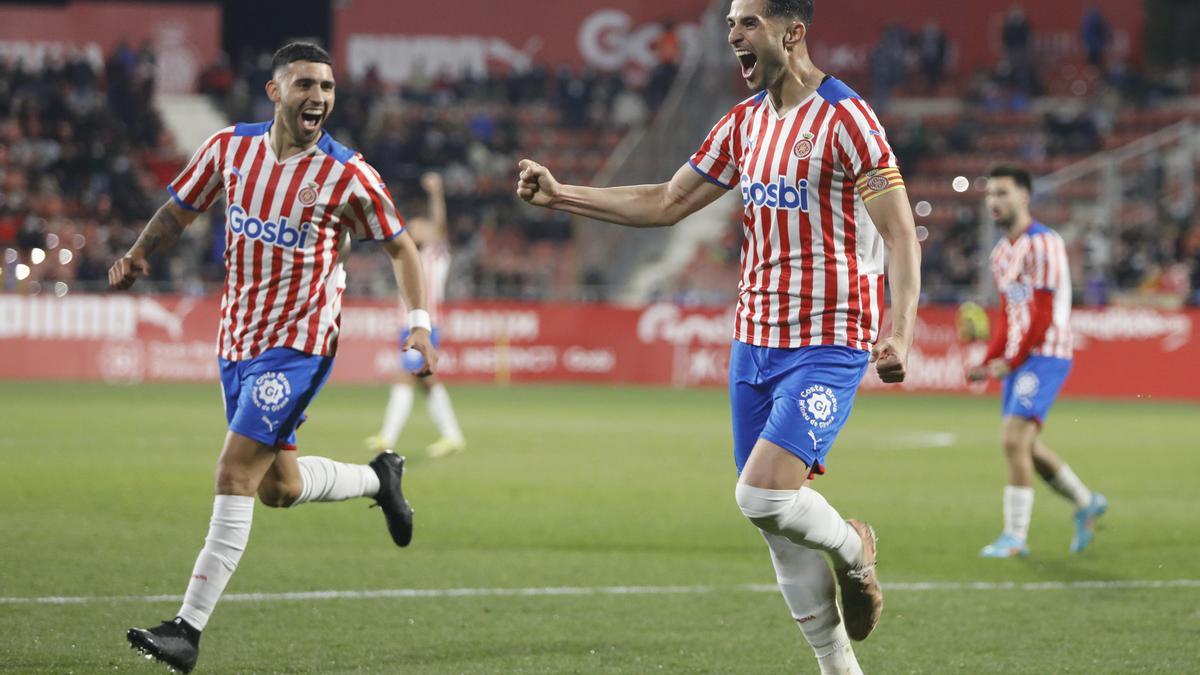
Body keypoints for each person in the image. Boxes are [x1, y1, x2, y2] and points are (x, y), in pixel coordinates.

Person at [516, 1, 921, 672]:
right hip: (753, 341)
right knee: (772, 521)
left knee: (761, 494)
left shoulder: (848, 119)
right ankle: (839, 667)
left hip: (828, 339)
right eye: (730, 23)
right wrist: (563, 195)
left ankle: (854, 546)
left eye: (748, 23)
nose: (733, 34)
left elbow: (902, 233)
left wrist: (898, 332)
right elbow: (667, 202)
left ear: (793, 31)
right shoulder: (742, 124)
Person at [108, 42, 437, 674]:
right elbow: (179, 209)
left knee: (234, 472)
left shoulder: (348, 173)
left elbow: (402, 249)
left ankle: (186, 631)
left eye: (329, 88)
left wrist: (419, 325)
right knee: (277, 490)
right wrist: (142, 250)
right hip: (237, 341)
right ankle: (380, 477)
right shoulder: (229, 149)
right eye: (307, 85)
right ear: (275, 91)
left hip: (299, 345)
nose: (319, 97)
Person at [967, 165, 1107, 559]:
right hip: (1019, 357)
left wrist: (1010, 361)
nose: (994, 201)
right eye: (990, 194)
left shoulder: (1044, 244)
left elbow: (1042, 313)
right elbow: (1009, 315)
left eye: (1003, 193)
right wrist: (989, 358)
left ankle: (1015, 537)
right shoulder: (1000, 254)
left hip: (1045, 353)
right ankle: (1086, 501)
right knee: (1028, 446)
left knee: (1013, 440)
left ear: (1025, 196)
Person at [366, 171, 466, 458]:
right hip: (407, 325)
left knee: (404, 376)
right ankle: (452, 436)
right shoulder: (407, 256)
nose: (415, 229)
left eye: (421, 226)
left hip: (428, 325)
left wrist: (436, 193)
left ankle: (387, 437)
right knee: (426, 380)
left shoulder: (436, 253)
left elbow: (441, 225)